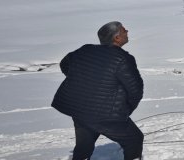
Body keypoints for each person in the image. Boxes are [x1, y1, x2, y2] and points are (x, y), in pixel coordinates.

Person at [52, 21, 145, 160]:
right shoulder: (123, 58)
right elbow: (135, 90)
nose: (127, 31)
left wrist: (83, 81)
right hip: (107, 116)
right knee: (135, 139)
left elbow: (64, 64)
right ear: (116, 38)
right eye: (124, 30)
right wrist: (125, 111)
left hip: (79, 111)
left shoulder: (85, 49)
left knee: (84, 147)